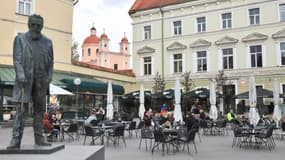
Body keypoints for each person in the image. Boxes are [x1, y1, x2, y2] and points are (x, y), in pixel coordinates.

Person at [7, 14, 54, 149]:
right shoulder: (20, 39)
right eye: (33, 25)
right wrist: (20, 74)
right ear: (28, 24)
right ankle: (15, 140)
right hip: (25, 81)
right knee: (21, 111)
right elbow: (17, 59)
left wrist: (49, 76)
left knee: (40, 112)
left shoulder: (48, 42)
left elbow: (51, 62)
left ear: (42, 26)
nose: (35, 28)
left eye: (38, 25)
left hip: (41, 81)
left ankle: (39, 139)